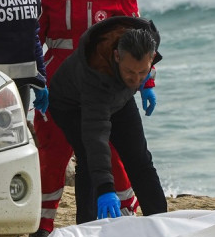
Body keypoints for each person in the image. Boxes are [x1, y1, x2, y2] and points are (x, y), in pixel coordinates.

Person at [29, 0, 149, 237]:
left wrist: (147, 82)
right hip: (56, 82)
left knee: (108, 149)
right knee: (52, 150)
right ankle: (42, 226)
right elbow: (33, 38)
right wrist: (31, 78)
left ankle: (126, 215)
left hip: (101, 84)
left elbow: (137, 40)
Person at [47, 15, 167, 224]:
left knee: (139, 159)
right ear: (117, 57)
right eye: (130, 72)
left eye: (143, 72)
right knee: (88, 159)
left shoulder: (148, 39)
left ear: (153, 56)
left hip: (119, 98)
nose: (136, 79)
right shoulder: (96, 73)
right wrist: (106, 189)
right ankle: (88, 227)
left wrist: (146, 85)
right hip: (71, 105)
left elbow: (136, 75)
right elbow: (97, 138)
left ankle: (160, 222)